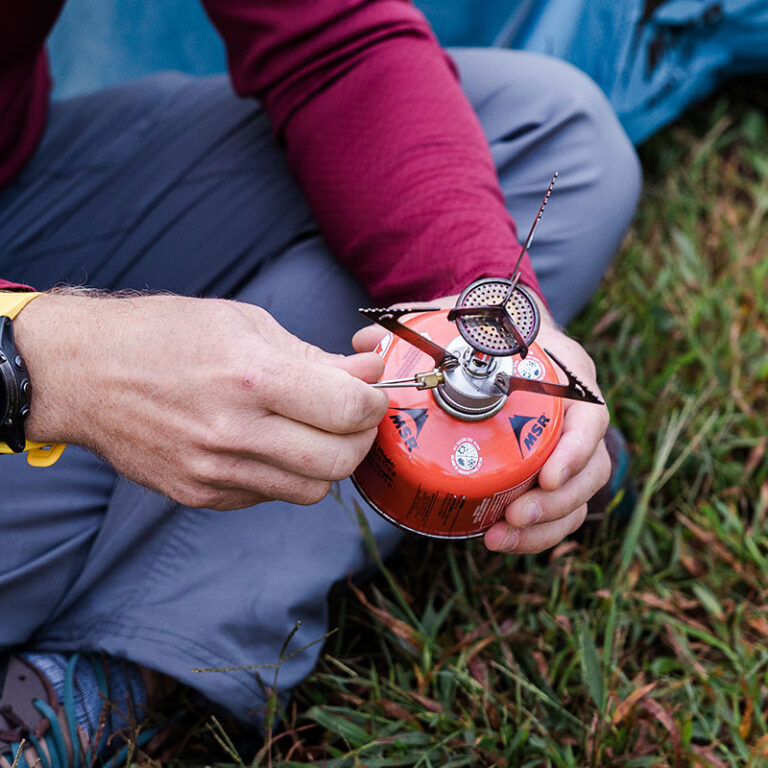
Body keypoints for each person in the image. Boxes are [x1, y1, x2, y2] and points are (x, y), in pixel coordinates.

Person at [0, 1, 641, 764]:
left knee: (547, 136)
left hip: (28, 195)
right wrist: (49, 366)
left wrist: (483, 324)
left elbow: (336, 41)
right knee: (285, 392)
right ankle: (106, 662)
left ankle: (141, 595)